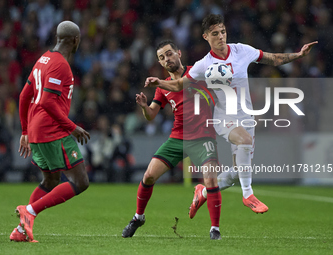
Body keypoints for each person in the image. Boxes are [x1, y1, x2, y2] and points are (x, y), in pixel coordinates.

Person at [144, 14, 317, 217]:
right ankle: (248, 195)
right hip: (223, 117)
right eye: (215, 34)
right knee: (243, 143)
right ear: (206, 37)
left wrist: (299, 55)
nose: (221, 37)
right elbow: (179, 84)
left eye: (223, 32)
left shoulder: (241, 50)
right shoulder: (203, 65)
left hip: (246, 118)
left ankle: (203, 192)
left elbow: (273, 59)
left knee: (237, 173)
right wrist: (159, 83)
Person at [122, 40, 222, 240]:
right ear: (160, 63)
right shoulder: (162, 88)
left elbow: (210, 89)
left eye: (169, 54)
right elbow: (151, 115)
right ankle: (138, 217)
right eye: (161, 57)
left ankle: (214, 229)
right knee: (149, 175)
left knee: (210, 179)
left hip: (203, 136)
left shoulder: (197, 71)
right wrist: (144, 106)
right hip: (178, 137)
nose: (166, 59)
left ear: (179, 53)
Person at [10, 21, 90, 243]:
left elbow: (24, 95)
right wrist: (72, 127)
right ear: (75, 40)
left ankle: (22, 230)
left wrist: (25, 130)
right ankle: (30, 211)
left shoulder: (42, 60)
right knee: (80, 181)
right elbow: (46, 101)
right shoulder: (60, 64)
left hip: (36, 130)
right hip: (52, 130)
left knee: (51, 180)